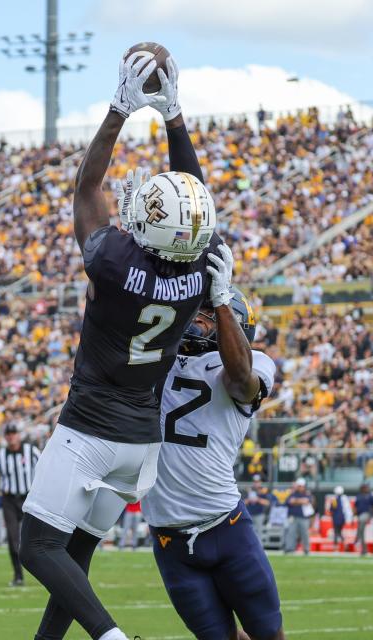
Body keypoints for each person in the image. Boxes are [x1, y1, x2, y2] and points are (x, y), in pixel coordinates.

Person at [21, 49, 222, 640]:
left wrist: (119, 110)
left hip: (89, 429)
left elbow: (87, 188)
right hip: (141, 445)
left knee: (37, 547)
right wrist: (174, 118)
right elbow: (196, 197)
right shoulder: (202, 271)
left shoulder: (113, 262)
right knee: (74, 561)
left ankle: (111, 638)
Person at [140, 288, 283, 640]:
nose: (195, 320)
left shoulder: (254, 363)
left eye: (207, 315)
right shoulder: (158, 357)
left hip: (226, 528)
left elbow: (240, 383)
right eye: (195, 311)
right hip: (168, 539)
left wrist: (220, 301)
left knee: (269, 635)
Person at [0, 425, 41, 586]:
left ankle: (45, 573)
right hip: (9, 500)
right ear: (5, 437)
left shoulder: (31, 451)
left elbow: (44, 471)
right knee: (13, 540)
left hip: (29, 498)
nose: (11, 437)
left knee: (34, 539)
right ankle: (18, 576)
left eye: (13, 434)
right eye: (8, 434)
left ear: (18, 435)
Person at [354, 483, 373, 556]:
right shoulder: (358, 496)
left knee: (362, 520)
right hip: (360, 515)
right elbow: (355, 506)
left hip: (366, 514)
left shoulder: (370, 496)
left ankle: (357, 537)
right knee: (362, 533)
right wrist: (354, 515)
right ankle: (364, 550)